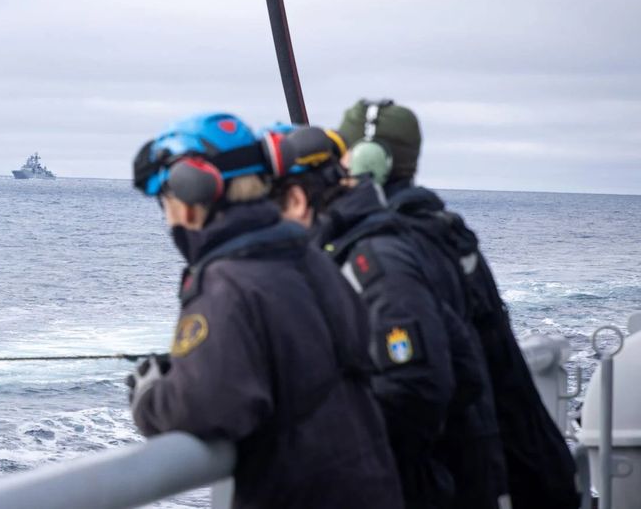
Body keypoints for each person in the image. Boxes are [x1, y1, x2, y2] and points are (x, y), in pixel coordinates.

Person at [127, 112, 402, 509]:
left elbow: (210, 405)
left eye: (166, 204)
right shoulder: (310, 258)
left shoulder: (227, 283)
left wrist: (150, 395)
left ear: (188, 203)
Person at [335, 99, 579, 509]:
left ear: (366, 158)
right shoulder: (442, 233)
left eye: (342, 152)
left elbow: (414, 386)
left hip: (452, 479)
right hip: (499, 463)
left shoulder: (386, 252)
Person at [268, 124, 483, 509]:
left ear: (298, 201)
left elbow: (417, 386)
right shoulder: (342, 251)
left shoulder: (372, 261)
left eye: (272, 206)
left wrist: (324, 446)